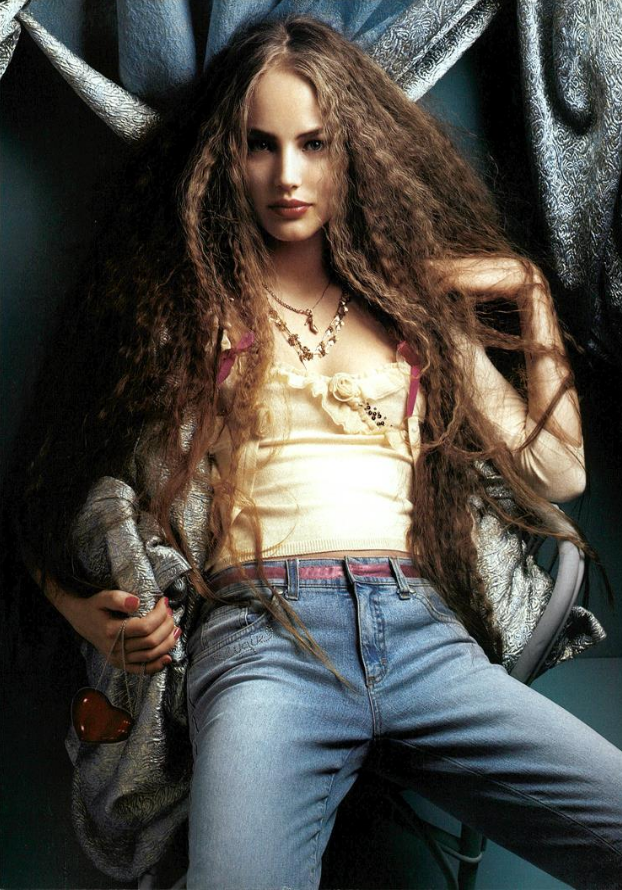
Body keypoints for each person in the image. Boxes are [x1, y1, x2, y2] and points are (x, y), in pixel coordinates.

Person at [16, 13, 622, 890]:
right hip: (262, 639)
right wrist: (87, 615)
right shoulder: (187, 313)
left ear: (353, 151)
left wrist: (529, 295)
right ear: (226, 159)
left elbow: (559, 474)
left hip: (421, 630)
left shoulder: (412, 314)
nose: (288, 176)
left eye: (313, 144)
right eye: (260, 146)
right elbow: (50, 501)